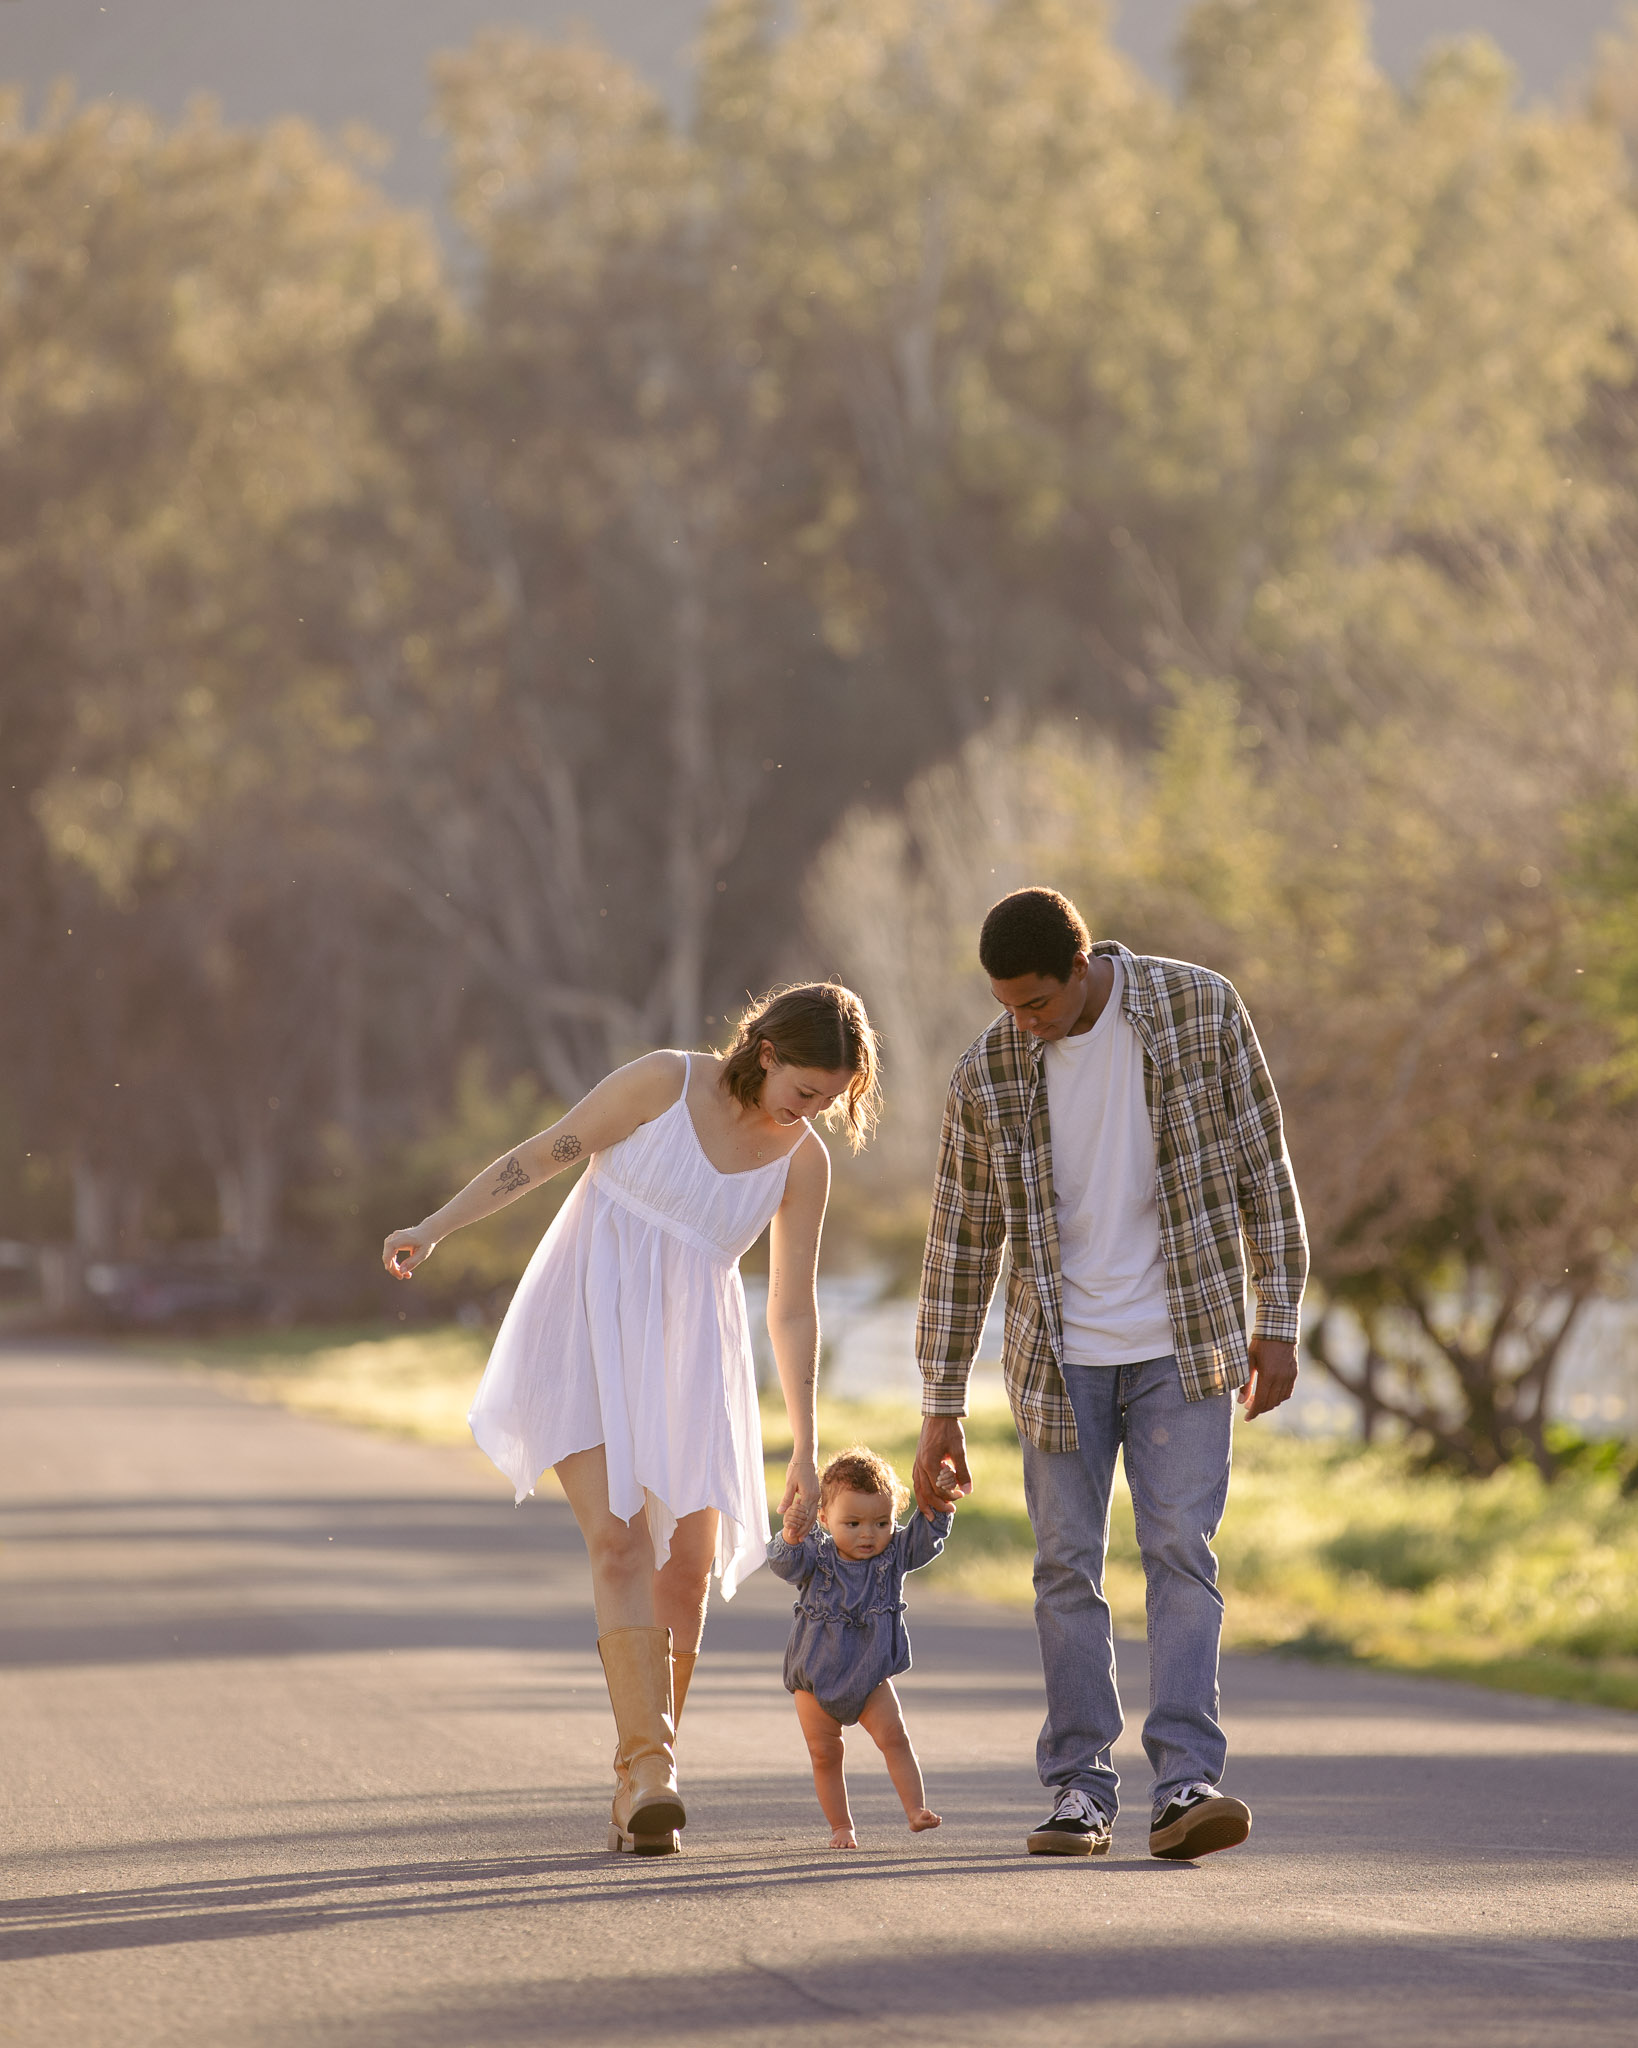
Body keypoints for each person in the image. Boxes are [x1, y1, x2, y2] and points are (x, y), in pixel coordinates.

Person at [382, 983, 880, 1856]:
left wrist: (803, 1446)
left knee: (684, 1571)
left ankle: (639, 1784)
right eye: (805, 1091)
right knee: (619, 1542)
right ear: (766, 1052)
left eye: (830, 1101)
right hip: (586, 1321)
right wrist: (437, 1226)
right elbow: (542, 1155)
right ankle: (652, 1772)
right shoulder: (662, 1084)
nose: (813, 1113)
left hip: (694, 1353)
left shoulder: (804, 1162)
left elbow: (792, 1309)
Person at [911, 888, 1307, 1862]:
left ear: (1083, 965)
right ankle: (1080, 1790)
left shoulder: (1200, 1010)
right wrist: (940, 1406)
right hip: (1058, 1358)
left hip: (1186, 1337)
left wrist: (1280, 1321)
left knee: (1179, 1550)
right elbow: (960, 1248)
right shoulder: (990, 1070)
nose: (1024, 1021)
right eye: (1007, 1004)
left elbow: (1267, 1165)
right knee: (1064, 1570)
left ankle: (1185, 1783)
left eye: (1037, 1001)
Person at [767, 1445, 951, 1848]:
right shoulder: (816, 1554)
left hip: (870, 1678)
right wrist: (790, 1536)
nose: (868, 1534)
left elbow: (926, 1535)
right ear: (824, 1518)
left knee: (895, 1738)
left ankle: (916, 1809)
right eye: (852, 1523)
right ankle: (841, 1827)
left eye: (881, 1522)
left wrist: (939, 1496)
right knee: (825, 1754)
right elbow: (785, 1565)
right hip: (814, 1678)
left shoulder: (894, 1554)